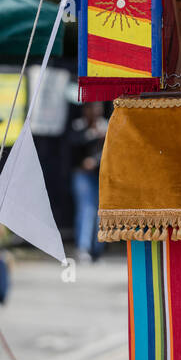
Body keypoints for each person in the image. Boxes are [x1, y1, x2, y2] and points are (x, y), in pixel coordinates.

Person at [70, 102, 108, 262]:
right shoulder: (78, 126)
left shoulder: (106, 126)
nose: (95, 111)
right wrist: (91, 135)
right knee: (86, 210)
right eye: (92, 108)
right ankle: (83, 247)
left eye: (97, 108)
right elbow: (72, 147)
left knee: (101, 212)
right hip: (82, 174)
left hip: (101, 175)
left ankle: (98, 248)